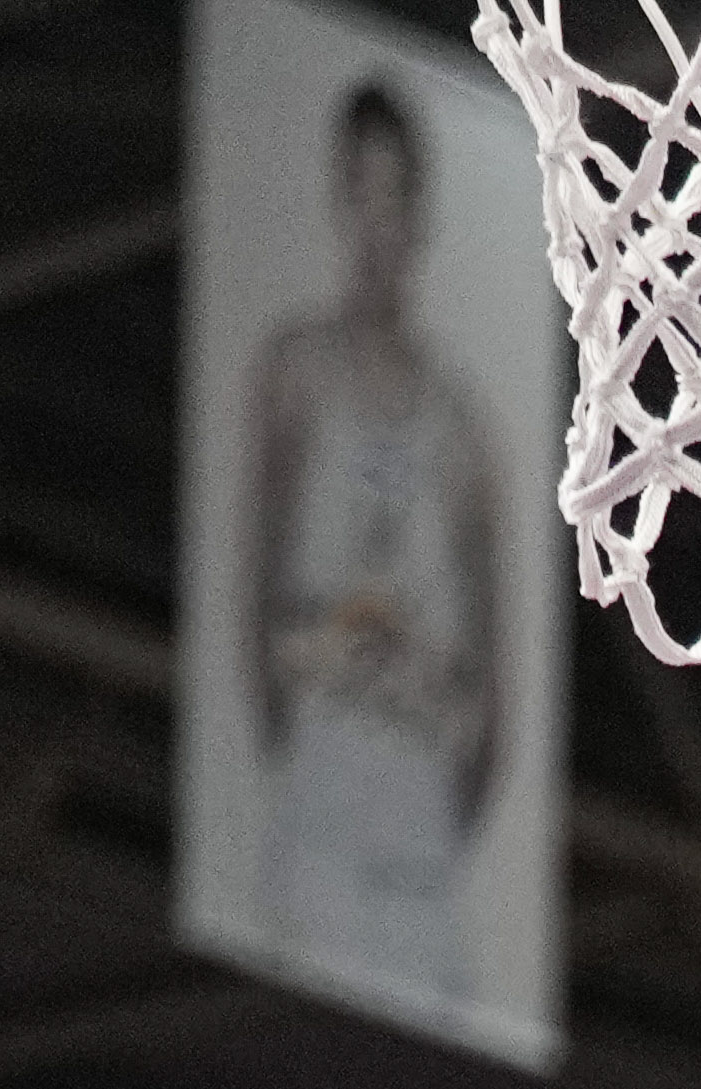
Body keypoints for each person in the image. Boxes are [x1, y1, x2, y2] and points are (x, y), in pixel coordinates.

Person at [240, 81, 505, 996]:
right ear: (338, 201)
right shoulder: (298, 371)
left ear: (421, 211)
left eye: (395, 194)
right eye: (361, 191)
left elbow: (492, 666)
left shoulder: (463, 427)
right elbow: (258, 576)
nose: (377, 220)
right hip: (322, 771)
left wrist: (452, 774)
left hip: (417, 797)